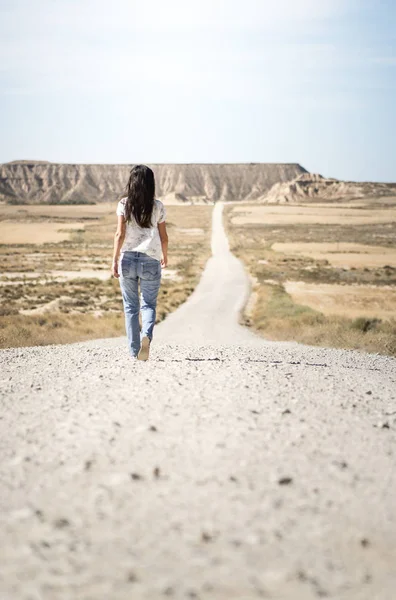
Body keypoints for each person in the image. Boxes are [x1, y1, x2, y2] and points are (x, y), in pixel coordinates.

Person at [111, 165, 168, 361]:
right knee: (149, 305)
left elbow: (119, 234)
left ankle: (135, 351)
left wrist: (114, 260)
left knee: (130, 307)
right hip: (150, 259)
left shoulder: (123, 204)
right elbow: (164, 237)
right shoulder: (158, 206)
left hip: (127, 259)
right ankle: (147, 336)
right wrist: (164, 255)